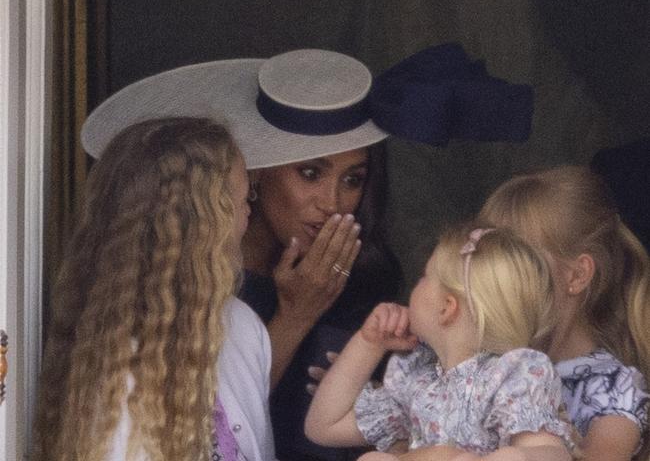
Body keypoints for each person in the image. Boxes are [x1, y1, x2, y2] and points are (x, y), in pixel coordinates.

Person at [78, 45, 536, 461]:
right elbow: (214, 422)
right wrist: (297, 314)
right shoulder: (200, 279)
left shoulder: (372, 284)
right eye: (311, 173)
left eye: (352, 179)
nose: (333, 202)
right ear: (255, 175)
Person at [32, 118, 275, 461]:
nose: (249, 212)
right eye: (237, 199)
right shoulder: (115, 365)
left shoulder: (243, 325)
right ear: (200, 223)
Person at [305, 224, 576, 460]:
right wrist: (369, 343)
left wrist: (517, 456)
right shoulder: (418, 380)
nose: (415, 284)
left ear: (447, 308)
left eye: (424, 276)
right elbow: (323, 427)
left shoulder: (510, 376)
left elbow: (552, 452)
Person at [477, 166, 650, 461]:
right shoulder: (486, 364)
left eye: (517, 266)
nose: (498, 282)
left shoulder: (613, 387)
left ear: (577, 275)